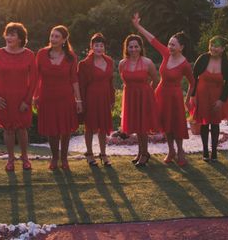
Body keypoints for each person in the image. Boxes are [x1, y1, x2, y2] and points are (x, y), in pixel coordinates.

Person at [132, 13, 195, 166]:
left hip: (175, 96)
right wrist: (137, 26)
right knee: (166, 123)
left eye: (173, 45)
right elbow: (152, 39)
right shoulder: (166, 54)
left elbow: (193, 83)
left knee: (176, 124)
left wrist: (188, 99)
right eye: (169, 44)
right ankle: (171, 150)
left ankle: (180, 151)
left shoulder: (185, 64)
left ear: (181, 47)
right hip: (161, 93)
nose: (170, 47)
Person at [0, 22, 36, 172]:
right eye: (7, 34)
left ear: (20, 38)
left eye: (12, 34)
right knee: (8, 130)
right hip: (4, 100)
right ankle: (10, 160)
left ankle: (25, 159)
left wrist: (27, 101)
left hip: (22, 100)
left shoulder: (29, 55)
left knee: (22, 130)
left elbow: (34, 80)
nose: (8, 37)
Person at [33, 25, 83, 170]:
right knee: (52, 130)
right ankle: (54, 158)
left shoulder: (71, 57)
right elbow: (37, 78)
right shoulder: (42, 54)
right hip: (47, 97)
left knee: (65, 130)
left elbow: (74, 79)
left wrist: (78, 100)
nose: (53, 39)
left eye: (56, 36)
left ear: (64, 39)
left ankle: (64, 159)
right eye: (51, 36)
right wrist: (35, 96)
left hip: (66, 98)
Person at [190, 35, 228, 162]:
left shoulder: (226, 63)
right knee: (204, 123)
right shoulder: (203, 59)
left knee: (215, 123)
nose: (213, 48)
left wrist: (222, 100)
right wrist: (193, 95)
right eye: (212, 45)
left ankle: (214, 152)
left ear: (223, 49)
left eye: (217, 46)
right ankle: (205, 151)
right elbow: (194, 78)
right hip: (202, 94)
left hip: (217, 96)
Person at [119, 33, 160, 166]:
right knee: (136, 126)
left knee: (143, 127)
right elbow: (124, 80)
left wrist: (147, 93)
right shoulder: (122, 63)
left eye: (136, 46)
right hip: (130, 97)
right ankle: (140, 151)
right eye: (130, 47)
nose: (133, 49)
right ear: (127, 48)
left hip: (144, 97)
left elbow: (156, 80)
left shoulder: (148, 62)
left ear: (140, 47)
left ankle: (145, 153)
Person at [78, 33, 115, 167]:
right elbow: (81, 85)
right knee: (90, 127)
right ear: (91, 47)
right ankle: (89, 153)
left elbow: (111, 82)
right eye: (96, 45)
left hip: (105, 97)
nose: (99, 48)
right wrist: (81, 102)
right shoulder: (84, 64)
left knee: (103, 127)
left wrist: (112, 98)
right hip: (91, 97)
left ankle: (103, 154)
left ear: (104, 47)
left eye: (101, 45)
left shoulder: (109, 61)